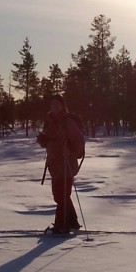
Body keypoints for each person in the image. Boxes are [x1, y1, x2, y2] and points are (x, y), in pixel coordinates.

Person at [37, 94, 85, 234]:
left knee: (61, 195)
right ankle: (72, 222)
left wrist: (70, 151)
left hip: (66, 164)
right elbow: (51, 140)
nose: (54, 107)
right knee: (61, 195)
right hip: (54, 165)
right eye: (52, 104)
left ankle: (61, 225)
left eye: (57, 104)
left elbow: (79, 141)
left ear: (63, 106)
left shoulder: (68, 121)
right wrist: (43, 140)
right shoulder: (50, 121)